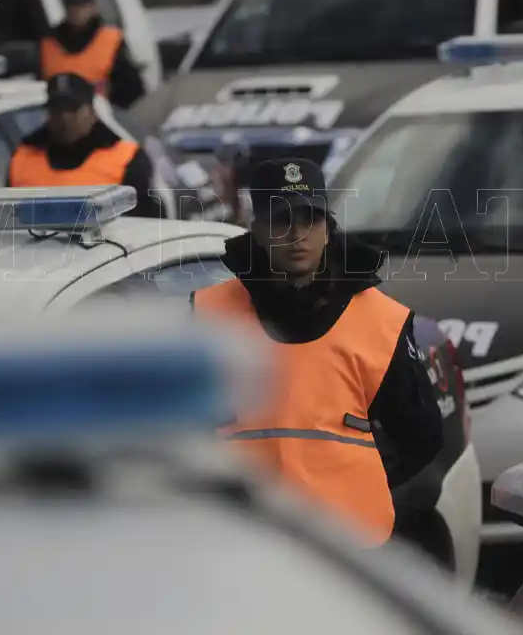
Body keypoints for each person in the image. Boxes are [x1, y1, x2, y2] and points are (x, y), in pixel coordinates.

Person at [190, 159, 444, 546]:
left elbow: (420, 436)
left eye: (310, 220)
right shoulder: (207, 315)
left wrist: (353, 485)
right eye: (281, 221)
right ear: (257, 231)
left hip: (346, 552)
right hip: (239, 544)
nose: (297, 235)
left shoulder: (381, 320)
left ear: (328, 229)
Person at [8, 73, 162, 217]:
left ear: (92, 112)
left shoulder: (127, 158)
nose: (64, 117)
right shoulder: (23, 158)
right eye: (57, 109)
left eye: (72, 108)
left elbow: (148, 225)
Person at [40, 0, 147, 109]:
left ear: (93, 7)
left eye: (82, 6)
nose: (77, 12)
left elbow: (132, 88)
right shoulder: (48, 42)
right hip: (58, 115)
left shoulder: (111, 40)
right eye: (71, 7)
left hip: (101, 116)